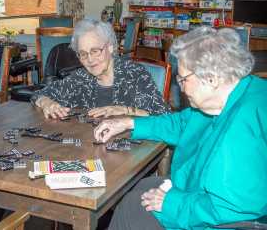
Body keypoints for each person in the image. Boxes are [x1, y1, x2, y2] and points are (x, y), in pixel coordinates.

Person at [94, 26, 267, 230]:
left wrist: (170, 203)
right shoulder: (237, 91)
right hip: (202, 192)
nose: (181, 88)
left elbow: (230, 209)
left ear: (211, 78)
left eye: (183, 79)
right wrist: (128, 122)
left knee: (133, 209)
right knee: (137, 188)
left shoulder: (242, 133)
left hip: (224, 219)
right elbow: (183, 123)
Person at [32, 19, 170, 119]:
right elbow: (40, 93)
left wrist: (125, 110)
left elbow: (165, 117)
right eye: (83, 54)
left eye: (95, 51)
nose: (90, 60)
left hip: (132, 151)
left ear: (110, 47)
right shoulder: (81, 78)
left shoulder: (134, 74)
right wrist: (47, 103)